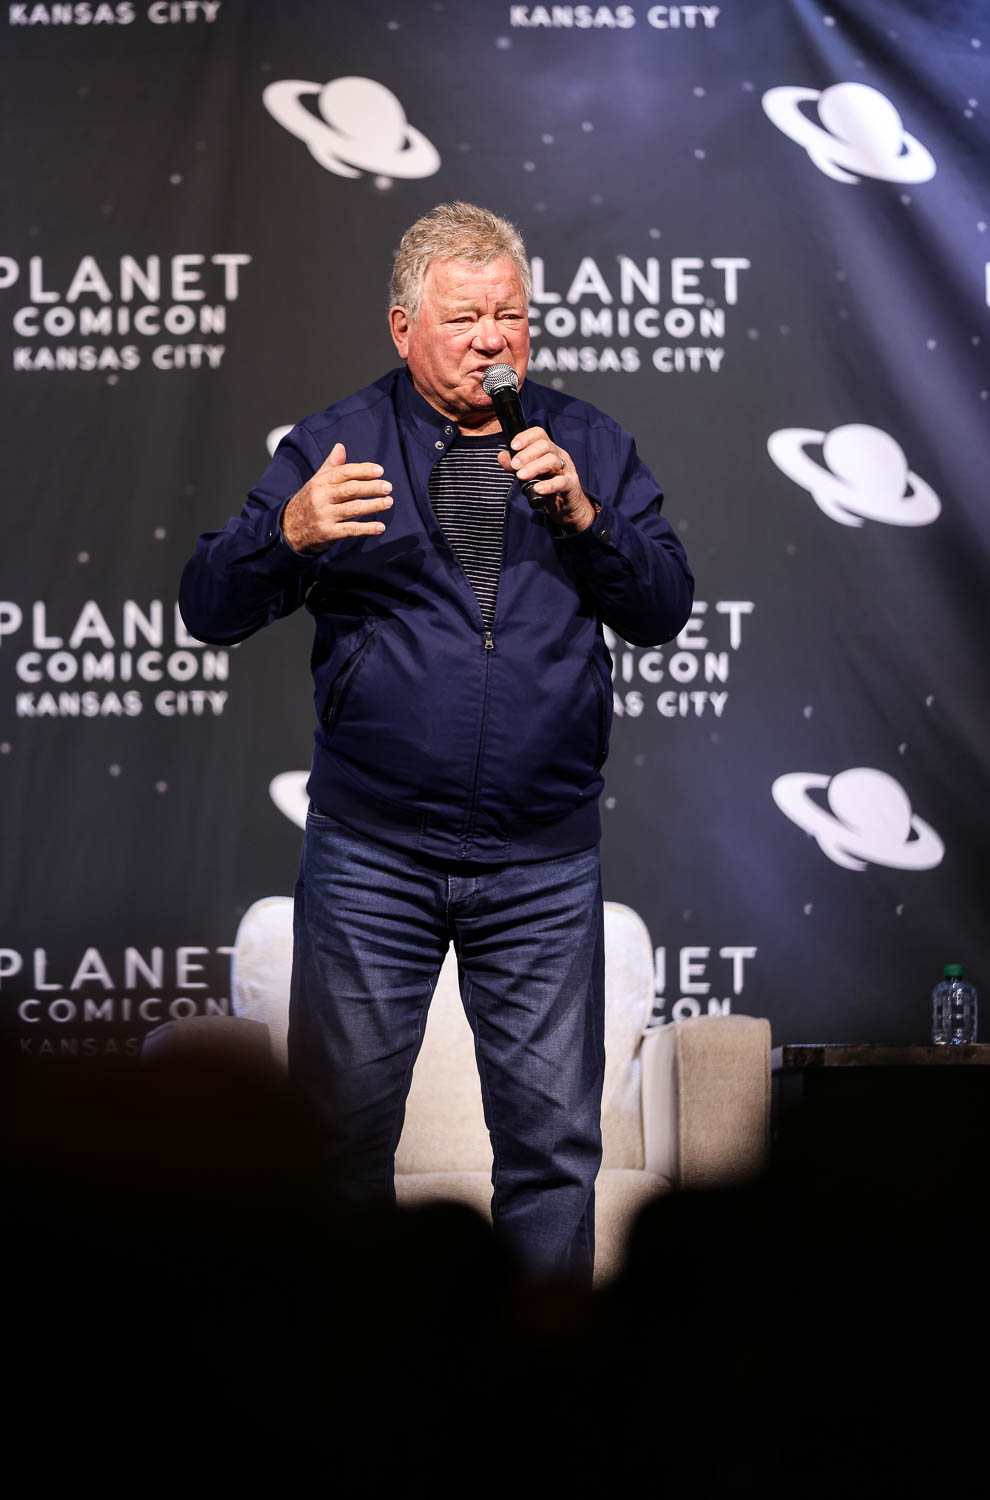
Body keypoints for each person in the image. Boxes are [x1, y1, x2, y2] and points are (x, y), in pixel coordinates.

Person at [179, 202, 693, 1281]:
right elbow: (209, 604)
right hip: (374, 854)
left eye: (511, 315)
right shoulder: (335, 444)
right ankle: (355, 1408)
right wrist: (291, 535)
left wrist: (588, 521)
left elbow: (662, 607)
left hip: (541, 861)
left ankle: (538, 1417)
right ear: (402, 328)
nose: (493, 338)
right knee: (336, 1148)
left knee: (554, 1154)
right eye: (465, 317)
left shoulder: (586, 442)